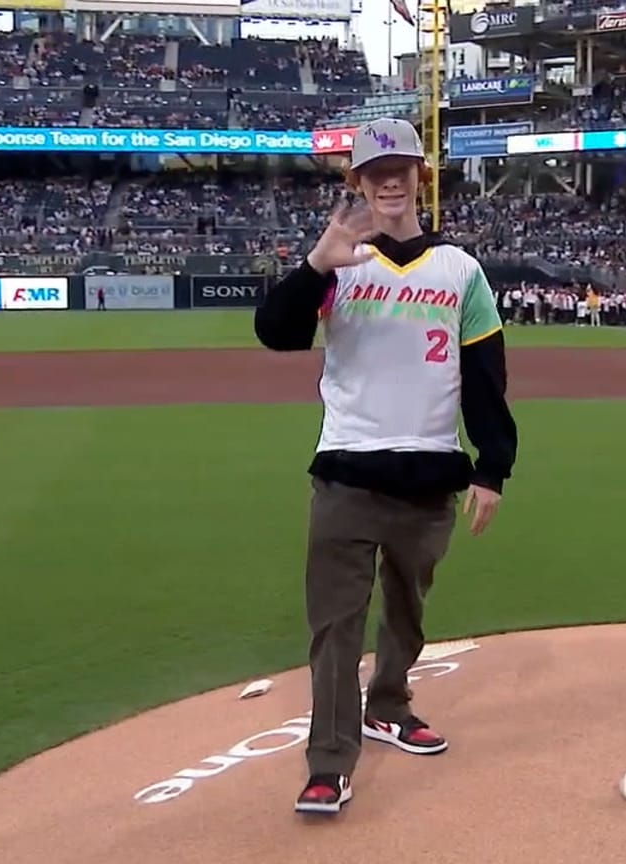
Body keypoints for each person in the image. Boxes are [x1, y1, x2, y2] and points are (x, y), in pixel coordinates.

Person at [253, 117, 518, 817]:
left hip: (430, 473)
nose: (391, 180)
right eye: (376, 172)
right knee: (336, 624)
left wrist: (493, 467)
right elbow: (275, 335)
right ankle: (329, 762)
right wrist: (316, 264)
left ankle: (390, 705)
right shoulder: (341, 261)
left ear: (419, 177)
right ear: (359, 184)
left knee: (407, 611)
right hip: (345, 471)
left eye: (402, 168)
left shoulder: (461, 270)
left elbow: (485, 376)